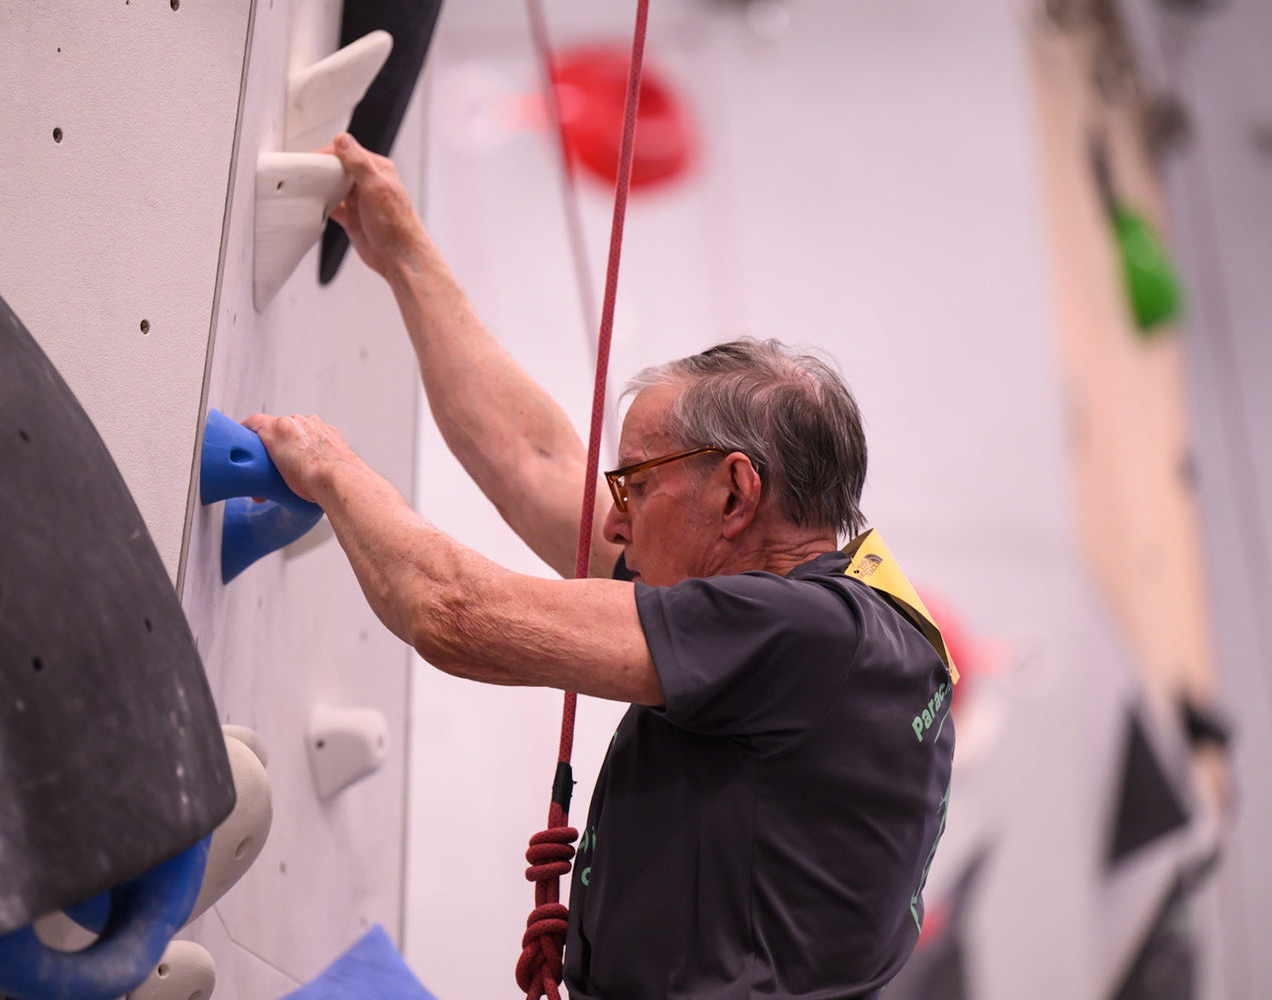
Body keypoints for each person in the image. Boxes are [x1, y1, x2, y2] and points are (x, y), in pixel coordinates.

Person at [245, 133, 956, 999]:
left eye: (636, 485)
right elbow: (536, 463)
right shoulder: (828, 629)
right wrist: (402, 252)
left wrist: (328, 469)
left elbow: (457, 615)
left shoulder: (802, 634)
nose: (615, 521)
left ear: (736, 494)